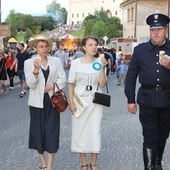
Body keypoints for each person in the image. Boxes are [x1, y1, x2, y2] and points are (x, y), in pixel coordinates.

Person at [124, 13, 170, 170]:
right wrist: (130, 99)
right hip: (147, 99)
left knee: (163, 135)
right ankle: (149, 167)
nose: (156, 32)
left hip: (167, 99)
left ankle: (157, 164)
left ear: (166, 30)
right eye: (153, 30)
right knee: (150, 136)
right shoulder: (140, 51)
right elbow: (131, 77)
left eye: (159, 29)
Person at [24, 34, 67, 170]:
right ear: (35, 48)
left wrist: (50, 87)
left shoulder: (56, 61)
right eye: (40, 47)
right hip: (36, 103)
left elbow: (63, 79)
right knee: (38, 132)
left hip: (53, 101)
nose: (44, 49)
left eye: (45, 46)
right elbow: (31, 84)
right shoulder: (28, 63)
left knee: (51, 131)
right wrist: (36, 71)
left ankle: (49, 166)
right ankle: (42, 163)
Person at [68, 35, 108, 170]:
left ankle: (94, 162)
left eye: (95, 45)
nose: (94, 47)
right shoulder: (76, 63)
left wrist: (102, 68)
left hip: (95, 102)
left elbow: (102, 83)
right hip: (79, 102)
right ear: (84, 47)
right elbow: (70, 84)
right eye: (90, 45)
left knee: (94, 131)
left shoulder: (99, 62)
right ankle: (84, 162)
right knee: (80, 131)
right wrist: (71, 103)